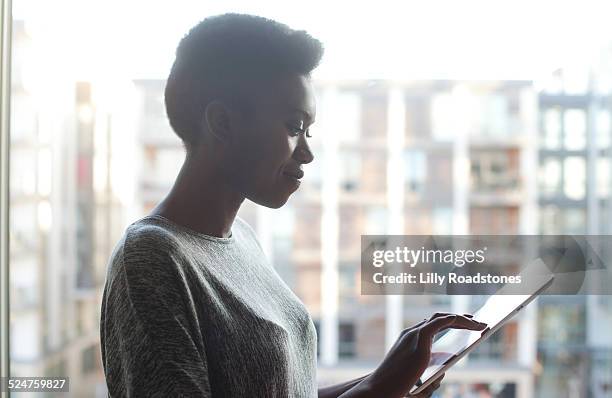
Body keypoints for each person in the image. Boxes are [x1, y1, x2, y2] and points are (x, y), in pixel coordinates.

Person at [99, 13, 487, 398]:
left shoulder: (243, 241)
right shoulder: (151, 258)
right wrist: (379, 389)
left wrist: (393, 374)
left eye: (309, 130)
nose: (307, 153)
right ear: (222, 122)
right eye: (293, 126)